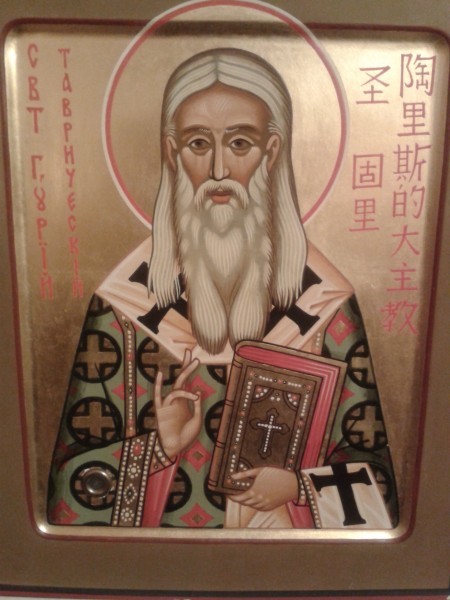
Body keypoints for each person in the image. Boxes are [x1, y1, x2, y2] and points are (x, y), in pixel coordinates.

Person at [48, 48, 398, 529]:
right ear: (172, 154)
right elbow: (66, 498)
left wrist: (298, 489)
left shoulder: (326, 308)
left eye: (239, 143)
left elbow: (381, 495)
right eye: (197, 143)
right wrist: (157, 450)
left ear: (271, 152)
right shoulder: (123, 308)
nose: (218, 170)